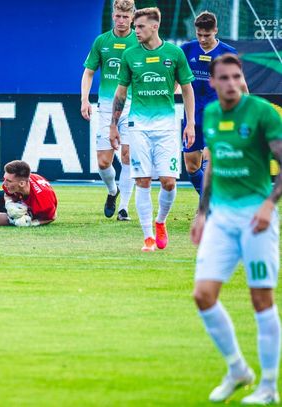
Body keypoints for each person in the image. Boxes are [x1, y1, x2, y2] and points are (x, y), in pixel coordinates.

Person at [191, 54, 282, 404]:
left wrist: (269, 204)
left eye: (236, 77)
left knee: (261, 299)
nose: (231, 84)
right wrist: (202, 213)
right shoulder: (212, 114)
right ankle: (238, 369)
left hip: (256, 217)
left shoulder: (262, 112)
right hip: (221, 218)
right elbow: (213, 165)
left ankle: (269, 385)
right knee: (203, 295)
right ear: (212, 82)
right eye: (224, 78)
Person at [110, 7, 196, 251]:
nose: (135, 31)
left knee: (169, 182)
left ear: (155, 26)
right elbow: (121, 93)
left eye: (140, 26)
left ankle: (160, 222)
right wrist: (113, 125)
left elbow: (187, 89)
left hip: (166, 127)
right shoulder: (130, 55)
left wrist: (190, 123)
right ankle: (148, 237)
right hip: (138, 127)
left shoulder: (174, 53)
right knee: (143, 180)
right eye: (135, 27)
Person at [180, 11, 248, 196]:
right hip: (192, 116)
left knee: (209, 161)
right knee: (191, 166)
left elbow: (240, 84)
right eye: (199, 34)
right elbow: (178, 80)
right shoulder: (186, 49)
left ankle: (208, 205)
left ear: (216, 30)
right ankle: (208, 199)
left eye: (207, 35)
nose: (202, 39)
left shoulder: (228, 52)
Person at [81, 0, 137, 221]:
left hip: (133, 107)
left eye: (126, 17)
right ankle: (113, 191)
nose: (121, 21)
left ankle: (124, 208)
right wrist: (84, 99)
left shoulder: (139, 41)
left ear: (132, 17)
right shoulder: (102, 41)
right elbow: (89, 72)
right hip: (106, 108)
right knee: (104, 162)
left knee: (128, 155)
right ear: (113, 15)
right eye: (118, 16)